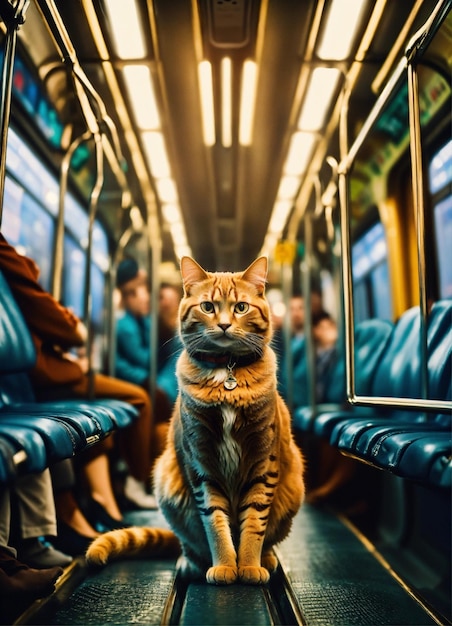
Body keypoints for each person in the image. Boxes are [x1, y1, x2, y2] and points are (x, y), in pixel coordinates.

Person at [0, 234, 158, 520]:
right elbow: (62, 325)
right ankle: (131, 486)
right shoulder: (14, 267)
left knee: (106, 416)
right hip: (51, 371)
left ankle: (106, 501)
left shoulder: (135, 321)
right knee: (140, 398)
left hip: (55, 367)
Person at [115, 260, 183, 461]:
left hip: (154, 381)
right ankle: (139, 470)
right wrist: (148, 378)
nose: (146, 298)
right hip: (142, 380)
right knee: (146, 403)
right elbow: (145, 360)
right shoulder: (125, 325)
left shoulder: (144, 321)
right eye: (140, 291)